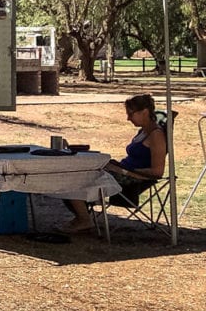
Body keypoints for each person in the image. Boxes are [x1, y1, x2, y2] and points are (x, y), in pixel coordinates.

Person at [61, 93, 167, 233]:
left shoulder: (156, 135)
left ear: (145, 112)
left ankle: (84, 218)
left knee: (75, 178)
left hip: (132, 178)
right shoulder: (143, 131)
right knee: (75, 171)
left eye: (131, 114)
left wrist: (125, 171)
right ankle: (82, 215)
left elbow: (157, 172)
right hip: (121, 171)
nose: (128, 118)